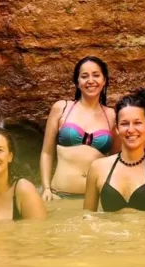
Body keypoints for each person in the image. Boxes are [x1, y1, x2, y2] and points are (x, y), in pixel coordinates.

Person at [40, 56, 117, 201]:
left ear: (104, 80)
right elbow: (46, 153)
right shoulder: (61, 108)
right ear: (77, 82)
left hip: (98, 198)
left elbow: (116, 159)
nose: (90, 80)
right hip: (60, 196)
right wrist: (46, 188)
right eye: (84, 76)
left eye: (96, 75)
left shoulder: (112, 115)